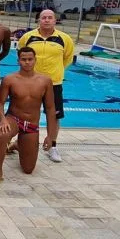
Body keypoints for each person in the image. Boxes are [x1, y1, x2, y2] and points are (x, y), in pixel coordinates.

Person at [0, 47, 56, 187]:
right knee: (1, 133)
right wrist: (3, 120)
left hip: (32, 124)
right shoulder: (10, 79)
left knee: (28, 169)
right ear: (18, 61)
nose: (27, 62)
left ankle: (16, 145)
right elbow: (0, 103)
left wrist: (50, 136)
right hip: (14, 119)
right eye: (24, 59)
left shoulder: (45, 81)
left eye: (30, 59)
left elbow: (50, 108)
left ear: (35, 60)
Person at [18, 9, 74, 163]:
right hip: (31, 82)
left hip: (54, 83)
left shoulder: (64, 39)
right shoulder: (28, 37)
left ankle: (53, 146)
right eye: (44, 18)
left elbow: (67, 59)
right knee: (26, 113)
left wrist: (54, 73)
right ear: (39, 20)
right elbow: (22, 54)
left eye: (50, 18)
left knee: (55, 116)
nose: (47, 20)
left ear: (55, 21)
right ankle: (22, 142)